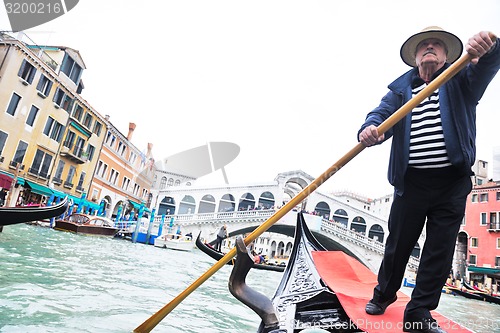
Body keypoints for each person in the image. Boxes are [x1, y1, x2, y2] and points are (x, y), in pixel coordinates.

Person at [358, 27, 499, 333]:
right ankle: (383, 295)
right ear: (416, 57)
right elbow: (379, 116)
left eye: (437, 45)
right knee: (398, 245)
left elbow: (488, 65)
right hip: (411, 184)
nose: (431, 48)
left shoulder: (461, 80)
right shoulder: (399, 92)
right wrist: (369, 129)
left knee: (439, 249)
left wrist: (489, 47)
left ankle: (418, 311)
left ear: (448, 56)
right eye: (425, 45)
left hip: (452, 183)